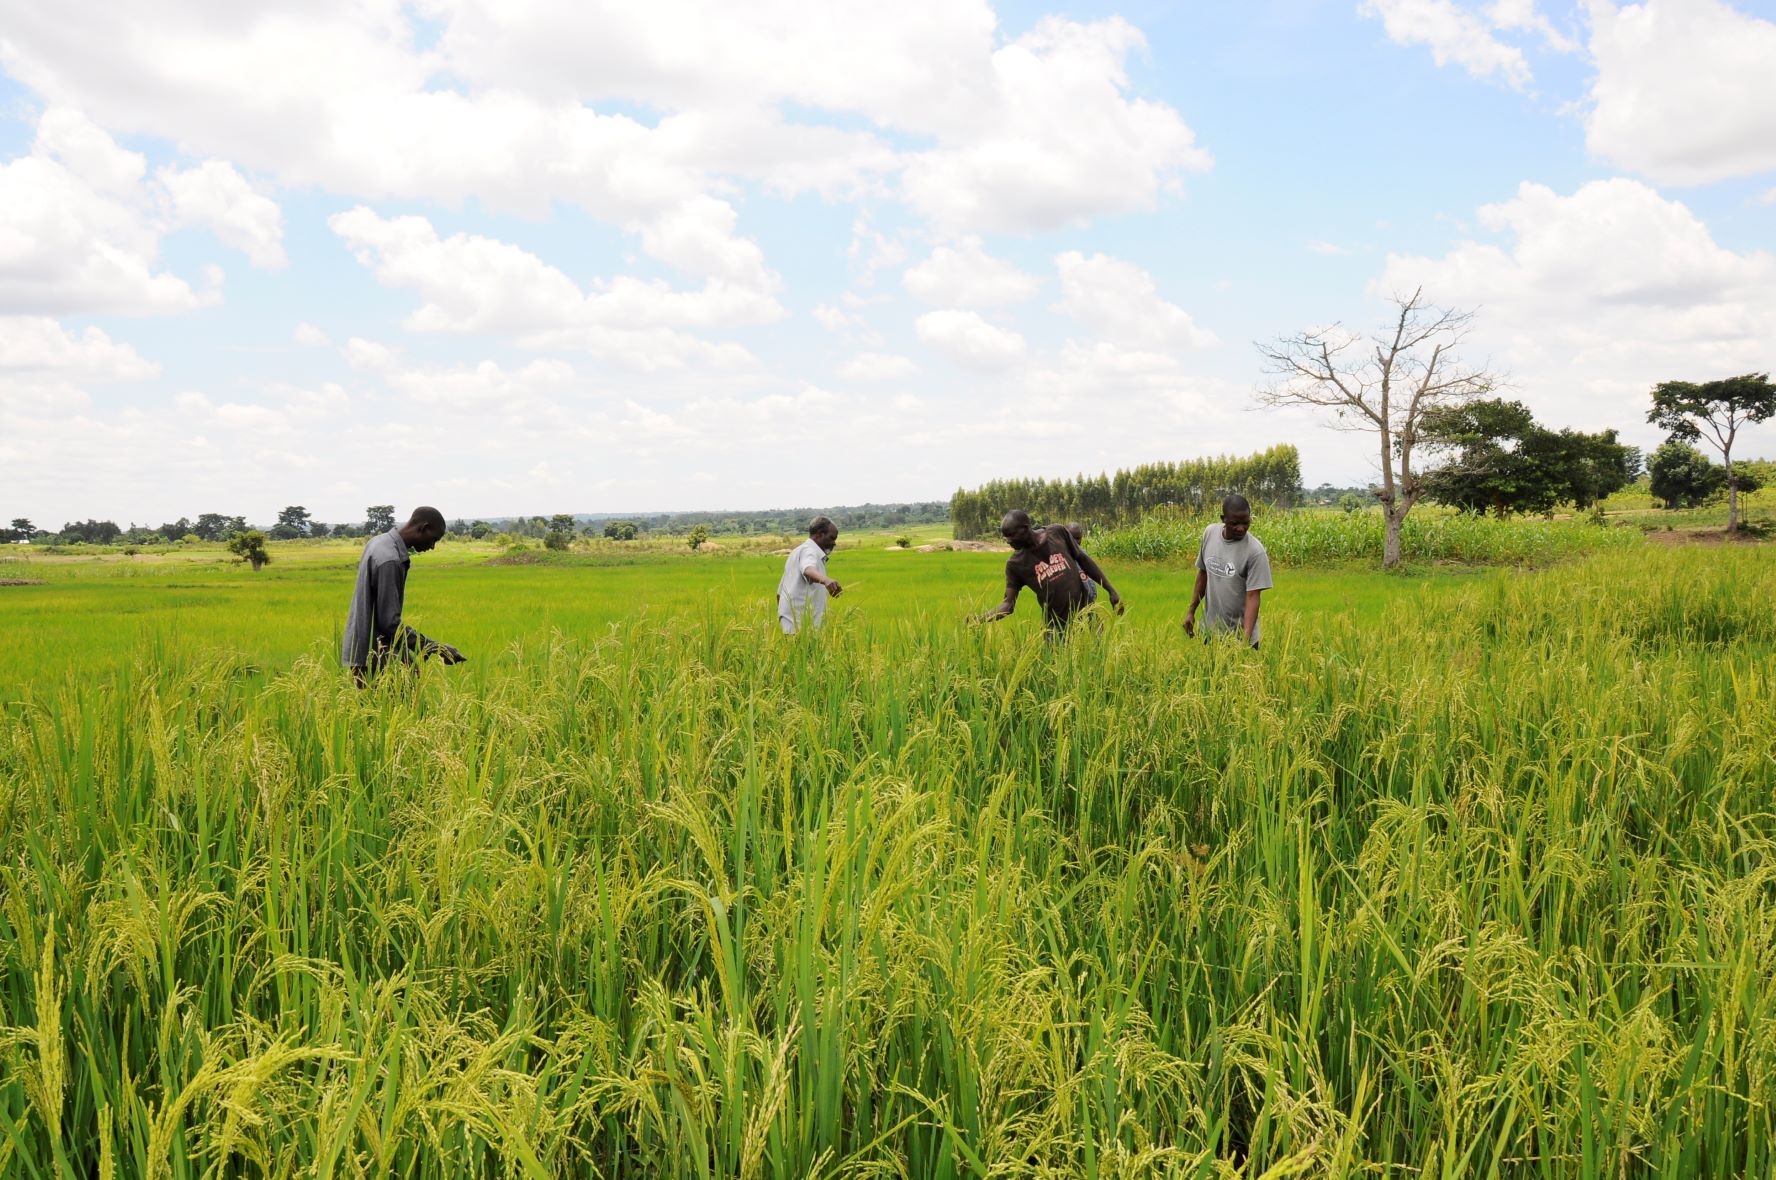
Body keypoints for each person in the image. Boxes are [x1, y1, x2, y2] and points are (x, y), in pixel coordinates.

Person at [342, 506, 465, 684]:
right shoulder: (390, 559)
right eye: (434, 539)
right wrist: (434, 647)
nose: (432, 546)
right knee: (408, 708)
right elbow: (389, 623)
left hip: (362, 650)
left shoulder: (378, 542)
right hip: (375, 656)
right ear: (423, 528)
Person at [982, 510, 1122, 631]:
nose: (1008, 540)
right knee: (1055, 661)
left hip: (1087, 616)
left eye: (1011, 535)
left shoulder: (1057, 532)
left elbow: (1083, 559)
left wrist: (1111, 590)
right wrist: (981, 619)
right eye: (1006, 536)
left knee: (1097, 658)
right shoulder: (1015, 564)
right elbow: (1008, 604)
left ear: (1025, 528)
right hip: (1056, 628)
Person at [1184, 494, 1271, 648]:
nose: (1241, 528)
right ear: (1223, 519)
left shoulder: (1255, 552)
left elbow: (1253, 597)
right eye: (1234, 523)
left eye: (1246, 522)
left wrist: (1245, 641)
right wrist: (1191, 611)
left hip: (1239, 638)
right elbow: (1203, 574)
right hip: (1210, 634)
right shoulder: (1209, 534)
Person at [777, 516, 843, 633]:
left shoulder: (797, 552)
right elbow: (807, 569)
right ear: (819, 534)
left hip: (792, 625)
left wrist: (784, 620)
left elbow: (779, 593)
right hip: (802, 628)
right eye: (831, 538)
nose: (834, 543)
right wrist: (826, 580)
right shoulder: (810, 551)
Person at [1065, 521, 1099, 604]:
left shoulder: (1084, 554)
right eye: (1073, 538)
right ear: (1065, 537)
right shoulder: (1061, 557)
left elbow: (1090, 578)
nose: (1076, 542)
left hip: (1089, 601)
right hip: (1071, 604)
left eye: (1078, 538)